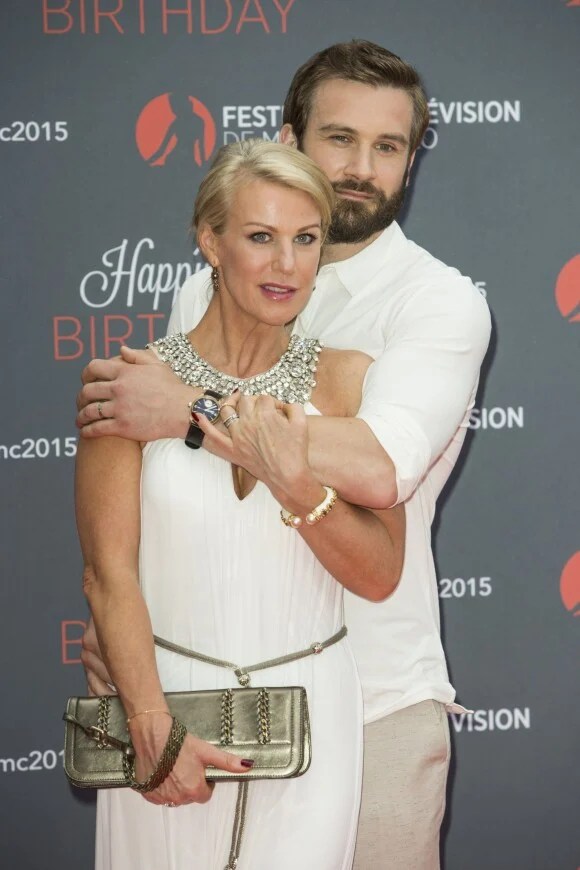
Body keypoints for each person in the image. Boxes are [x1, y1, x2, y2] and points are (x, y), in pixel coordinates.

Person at [77, 41, 491, 869]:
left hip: (367, 697)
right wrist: (135, 659)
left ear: (413, 161)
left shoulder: (437, 301)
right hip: (193, 693)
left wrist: (191, 408)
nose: (361, 168)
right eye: (340, 138)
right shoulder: (203, 289)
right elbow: (156, 501)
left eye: (389, 147)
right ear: (291, 136)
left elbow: (380, 467)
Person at [76, 138, 406, 870]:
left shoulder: (348, 384)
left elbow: (380, 572)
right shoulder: (131, 384)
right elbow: (108, 575)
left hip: (314, 715)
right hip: (163, 705)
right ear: (210, 242)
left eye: (305, 239)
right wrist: (152, 728)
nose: (286, 264)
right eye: (261, 237)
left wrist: (288, 473)